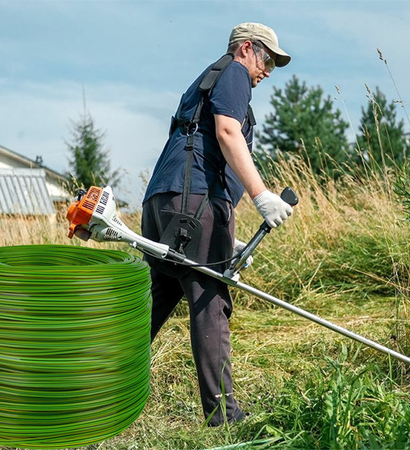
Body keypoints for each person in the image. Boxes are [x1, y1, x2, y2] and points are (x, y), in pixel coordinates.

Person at [141, 22, 293, 426]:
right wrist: (262, 196)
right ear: (247, 49)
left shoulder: (207, 81)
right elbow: (227, 133)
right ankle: (224, 418)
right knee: (211, 303)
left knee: (156, 302)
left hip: (165, 201)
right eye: (267, 60)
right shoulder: (234, 74)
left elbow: (197, 144)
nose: (268, 71)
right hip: (191, 203)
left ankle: (94, 385)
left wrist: (227, 233)